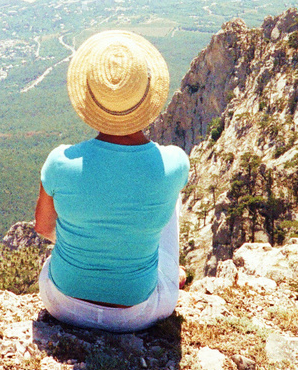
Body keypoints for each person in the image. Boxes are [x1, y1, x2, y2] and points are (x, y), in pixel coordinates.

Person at [34, 29, 189, 333]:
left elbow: (42, 227)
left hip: (62, 304)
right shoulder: (175, 162)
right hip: (137, 314)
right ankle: (171, 272)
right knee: (167, 192)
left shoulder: (60, 161)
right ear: (148, 98)